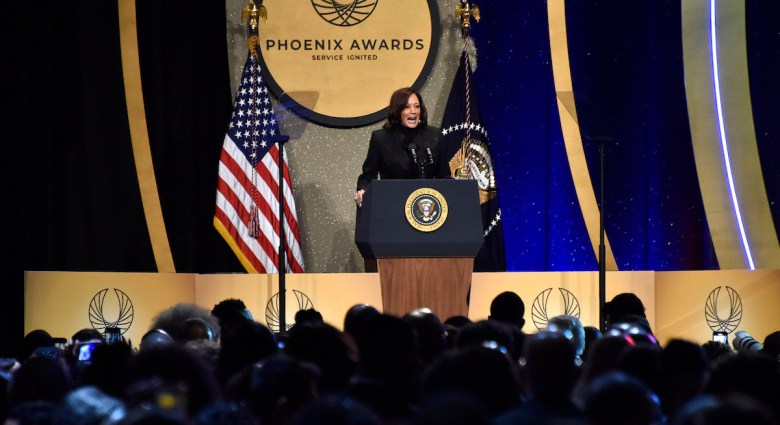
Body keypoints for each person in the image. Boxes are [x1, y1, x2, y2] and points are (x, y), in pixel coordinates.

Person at [355, 87, 450, 207]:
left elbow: (444, 176)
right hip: (392, 205)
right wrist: (363, 190)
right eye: (407, 107)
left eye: (417, 106)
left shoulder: (434, 136)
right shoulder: (381, 139)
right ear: (397, 110)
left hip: (427, 207)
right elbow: (368, 176)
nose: (413, 111)